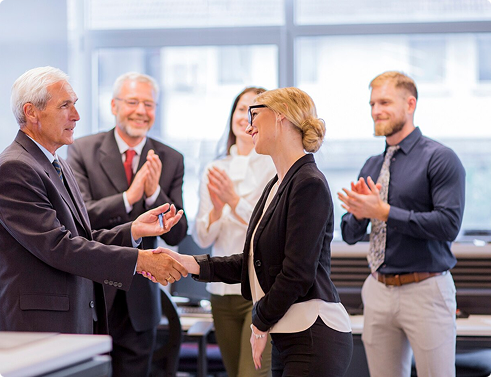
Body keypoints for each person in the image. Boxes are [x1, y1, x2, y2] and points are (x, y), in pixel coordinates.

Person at [150, 87, 354, 377]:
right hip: (289, 334)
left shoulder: (309, 183)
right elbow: (252, 261)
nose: (248, 126)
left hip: (313, 335)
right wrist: (191, 263)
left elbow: (297, 274)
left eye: (255, 115)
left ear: (281, 117)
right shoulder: (276, 184)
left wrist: (259, 321)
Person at [0, 66, 187, 338]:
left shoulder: (55, 163)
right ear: (31, 113)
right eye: (65, 106)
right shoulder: (16, 167)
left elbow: (81, 236)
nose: (76, 116)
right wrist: (139, 260)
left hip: (70, 321)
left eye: (74, 105)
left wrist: (132, 231)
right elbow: (58, 246)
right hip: (39, 328)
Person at [338, 71, 465, 377]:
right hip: (378, 289)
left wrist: (384, 212)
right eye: (371, 103)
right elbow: (349, 234)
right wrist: (358, 214)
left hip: (426, 290)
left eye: (384, 102)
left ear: (410, 104)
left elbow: (448, 225)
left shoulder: (441, 158)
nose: (375, 111)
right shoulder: (372, 164)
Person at [67, 72, 187, 377]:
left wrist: (152, 196)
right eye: (133, 101)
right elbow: (79, 220)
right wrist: (128, 197)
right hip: (92, 295)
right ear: (114, 105)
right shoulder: (82, 150)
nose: (141, 111)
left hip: (140, 301)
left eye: (149, 104)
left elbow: (178, 234)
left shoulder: (170, 158)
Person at [192, 87, 275, 377]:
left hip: (258, 291)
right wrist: (216, 209)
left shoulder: (274, 166)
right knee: (233, 372)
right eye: (241, 108)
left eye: (255, 109)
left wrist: (233, 200)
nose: (246, 116)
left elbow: (269, 230)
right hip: (220, 292)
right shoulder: (215, 168)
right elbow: (202, 237)